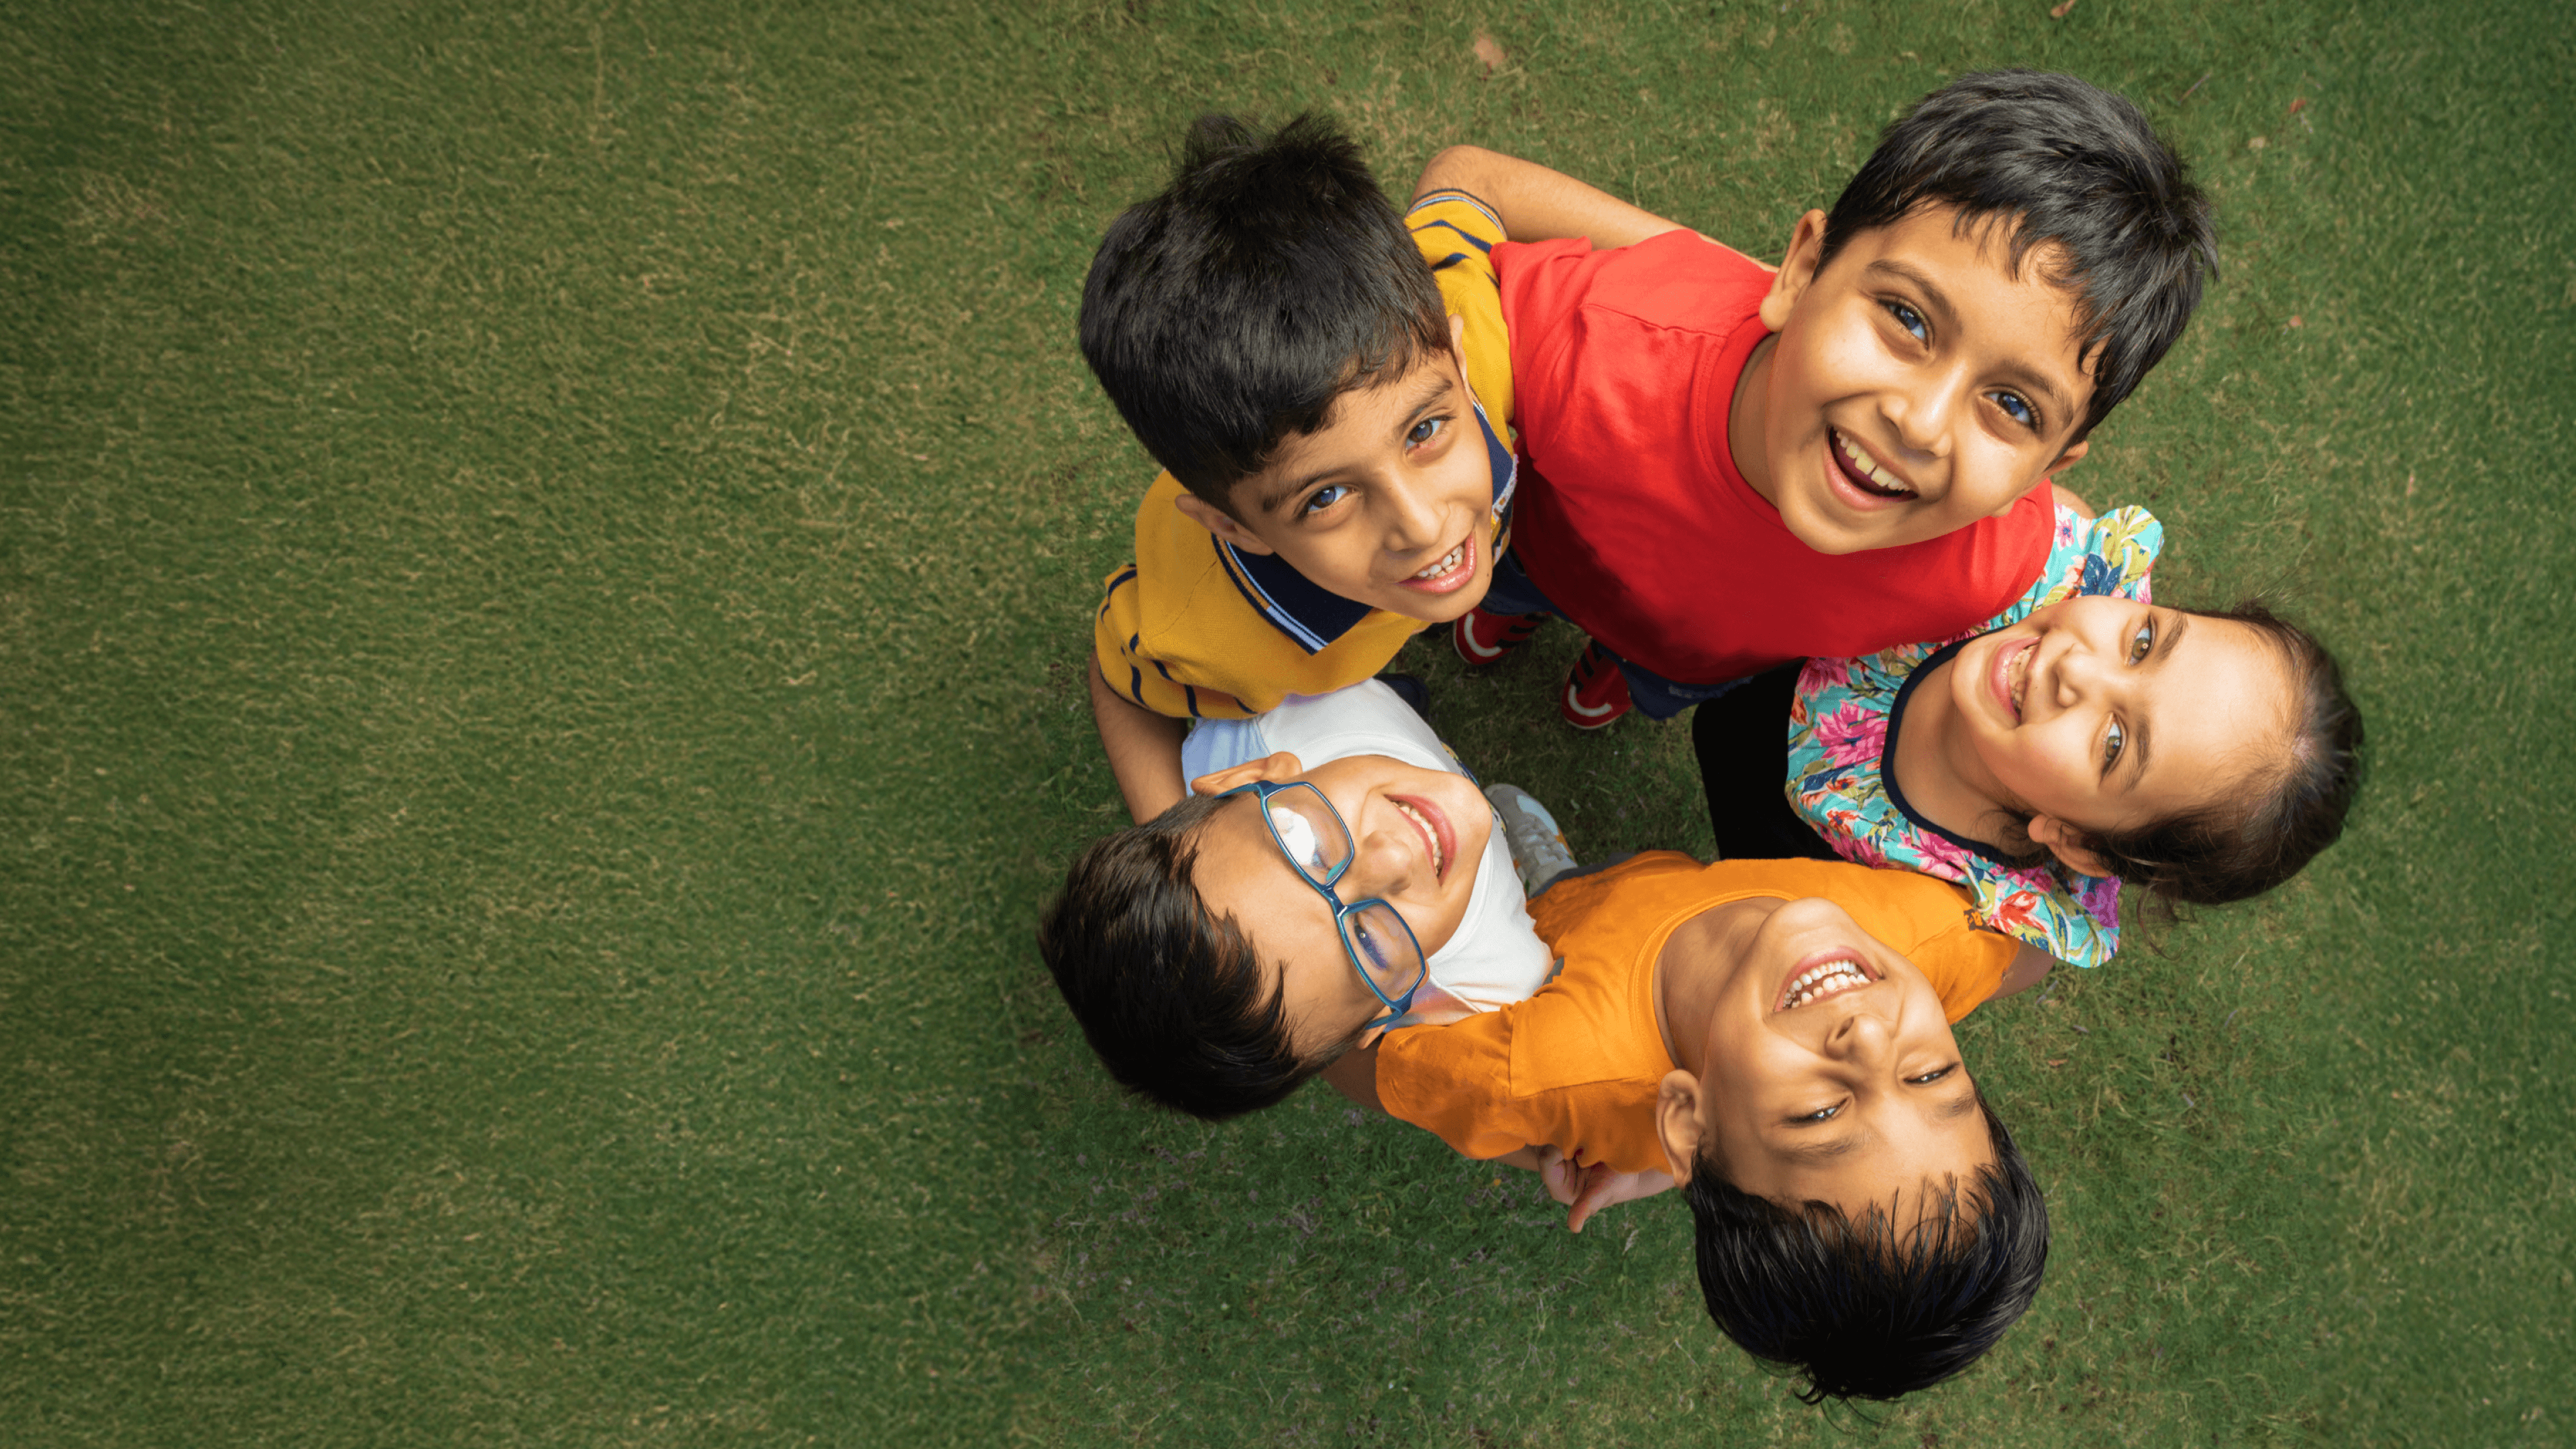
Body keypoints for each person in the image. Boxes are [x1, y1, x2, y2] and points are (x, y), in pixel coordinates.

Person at [1424, 70, 2218, 728]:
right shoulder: (1591, 343)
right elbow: (1462, 187)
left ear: (2043, 467)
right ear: (1802, 272)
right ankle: (1512, 609)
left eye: (2013, 408)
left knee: (1661, 678)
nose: (1922, 421)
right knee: (1517, 578)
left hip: (1702, 660)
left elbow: (2068, 545)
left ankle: (1620, 674)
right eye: (1908, 319)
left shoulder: (1997, 561)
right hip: (1548, 545)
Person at [1333, 853, 2047, 1402]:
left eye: (1821, 1113)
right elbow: (2034, 954)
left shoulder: (1530, 1069)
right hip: (1647, 884)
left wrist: (1532, 1143)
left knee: (1530, 892)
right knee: (1605, 878)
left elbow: (1340, 1055)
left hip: (1516, 922)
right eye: (1931, 1077)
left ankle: (1531, 869)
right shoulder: (1934, 934)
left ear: (1687, 1124)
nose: (1867, 1037)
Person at [1695, 497, 2363, 985]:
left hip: (1786, 848)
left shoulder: (1976, 922)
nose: (2076, 669)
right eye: (2143, 642)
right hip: (1773, 639)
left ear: (2075, 841)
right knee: (1698, 649)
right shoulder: (2029, 551)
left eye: (2113, 743)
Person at [1038, 680, 1566, 1120]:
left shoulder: (1264, 690)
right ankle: (1554, 883)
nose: (1394, 859)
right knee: (1572, 903)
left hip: (1347, 690)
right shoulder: (1504, 985)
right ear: (1391, 1016)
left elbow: (1119, 675)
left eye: (1303, 843)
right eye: (1370, 946)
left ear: (1249, 778)